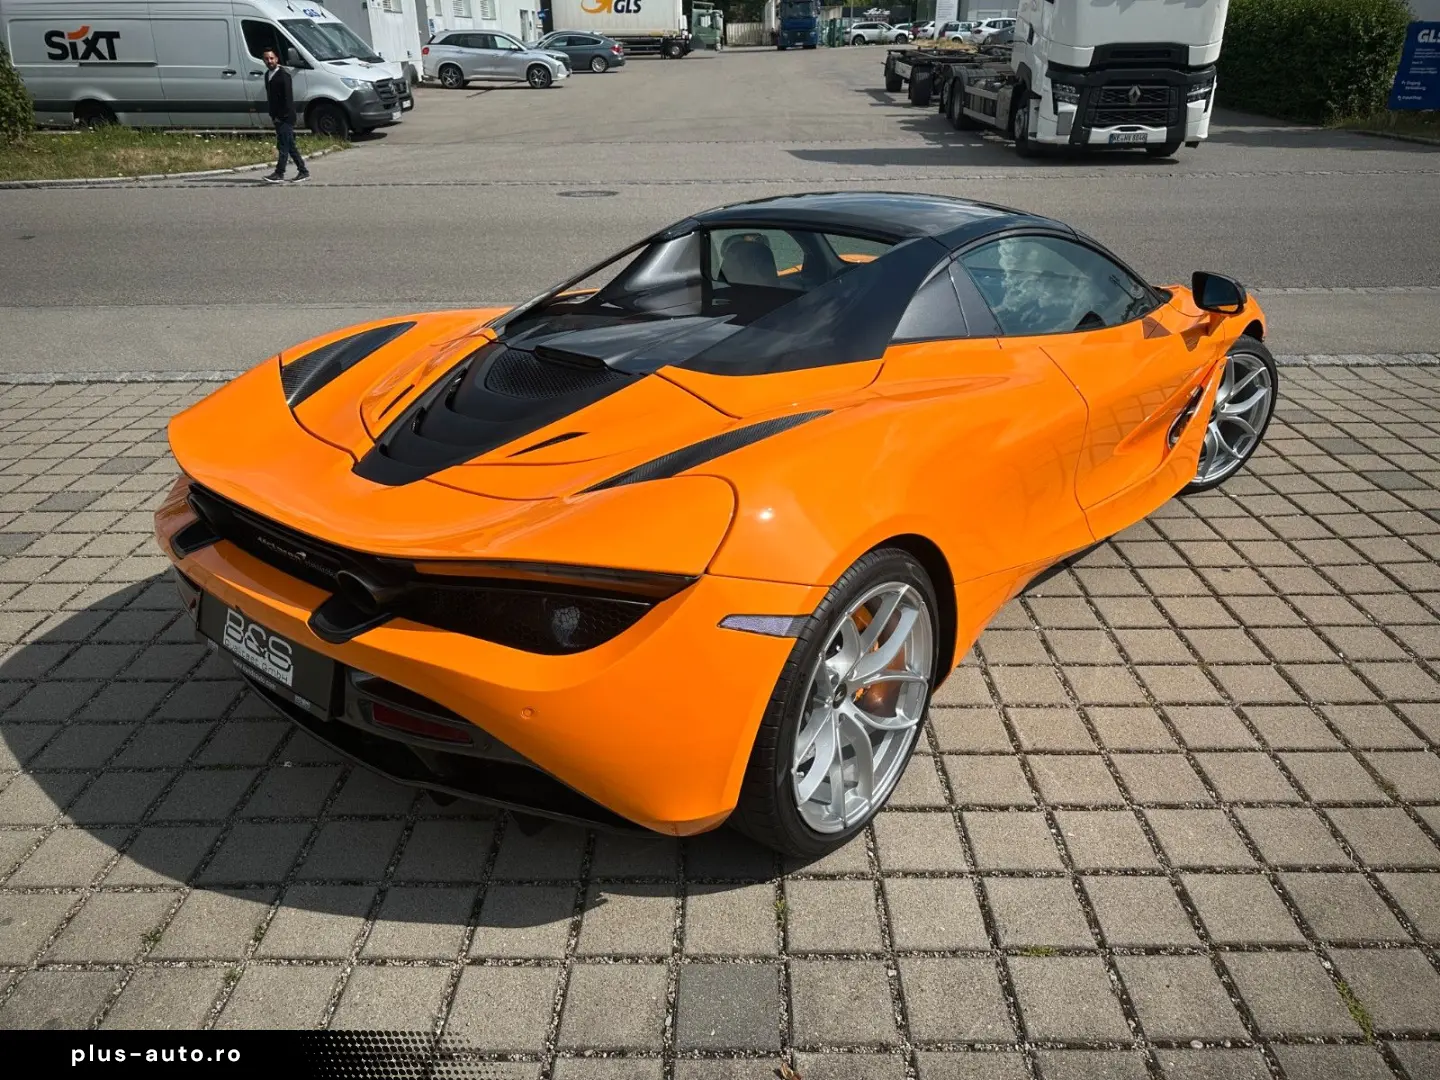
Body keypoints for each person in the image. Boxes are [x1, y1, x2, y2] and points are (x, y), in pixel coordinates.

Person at [261, 47, 309, 184]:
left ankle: (279, 173)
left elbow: (287, 98)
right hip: (276, 116)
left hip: (285, 116)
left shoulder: (283, 75)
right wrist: (273, 114)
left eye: (272, 58)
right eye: (266, 59)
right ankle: (303, 171)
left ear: (276, 59)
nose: (269, 61)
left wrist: (282, 116)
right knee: (289, 145)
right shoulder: (267, 75)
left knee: (283, 145)